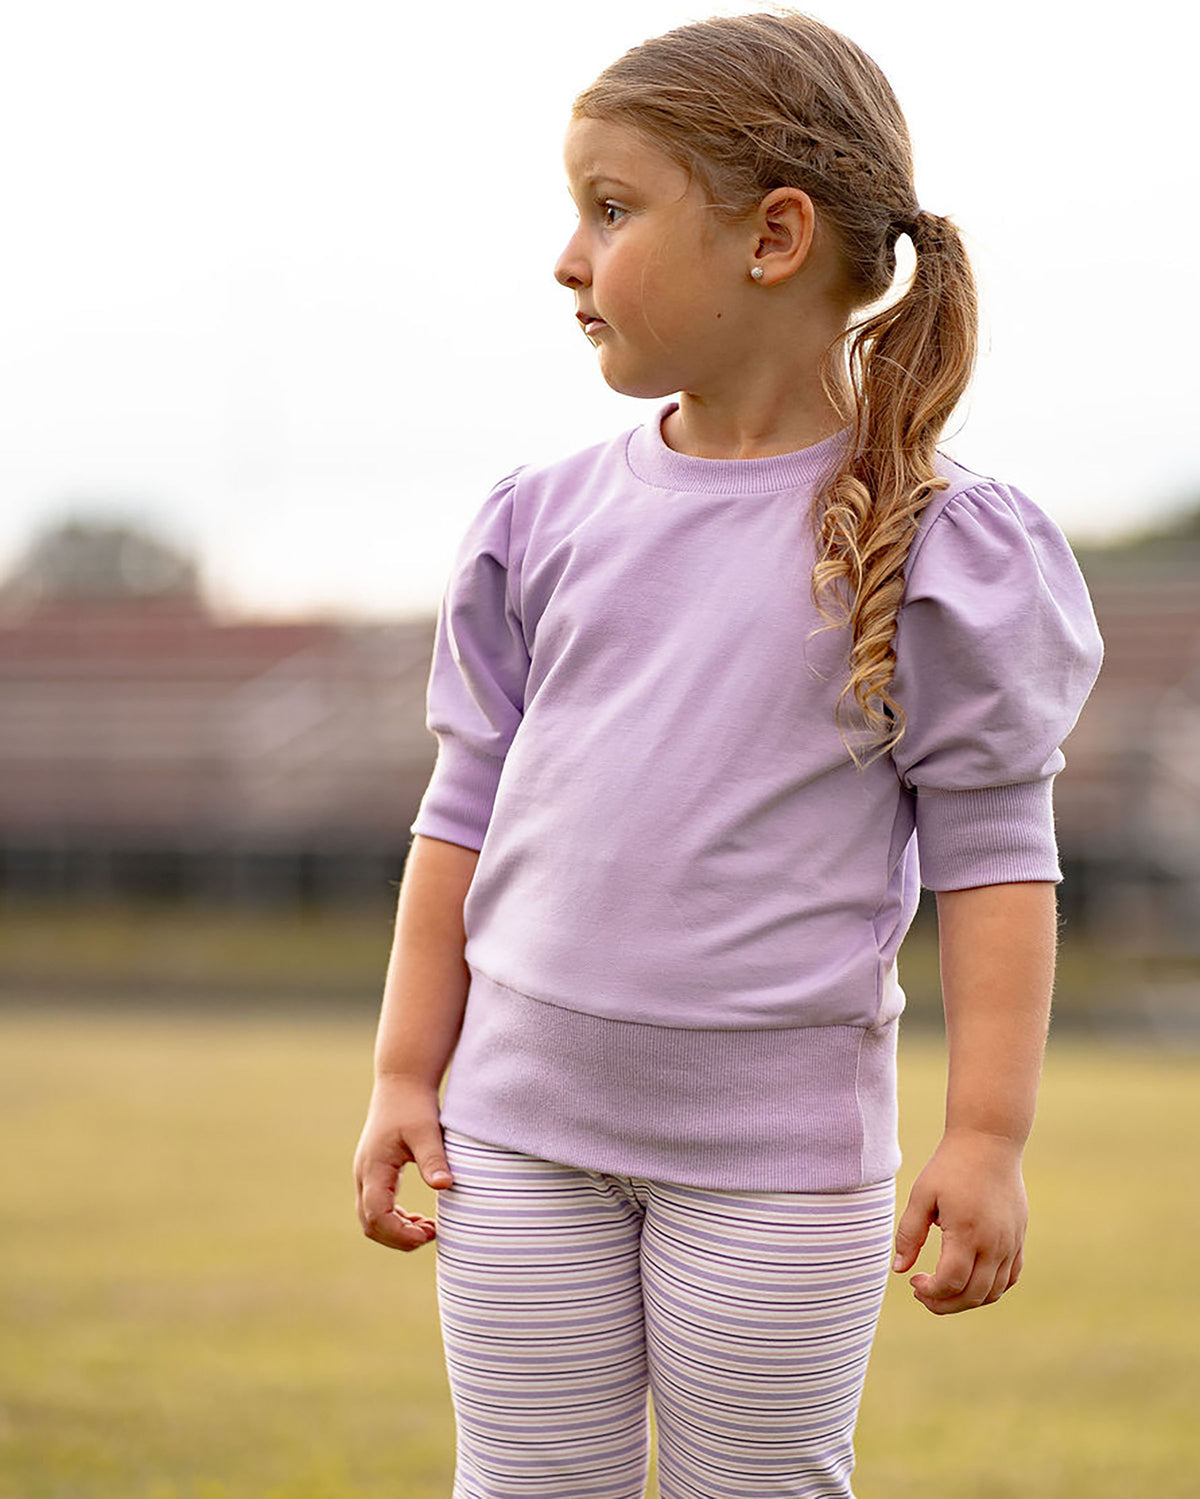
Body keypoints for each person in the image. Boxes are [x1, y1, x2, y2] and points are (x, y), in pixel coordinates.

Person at [353, 11, 1104, 1497]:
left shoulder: (947, 545)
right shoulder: (536, 522)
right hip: (517, 1140)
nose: (568, 255)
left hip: (780, 1172)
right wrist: (399, 1073)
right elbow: (463, 812)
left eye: (612, 208)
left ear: (774, 237)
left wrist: (989, 1137)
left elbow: (997, 856)